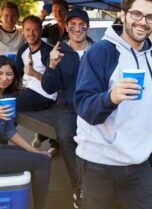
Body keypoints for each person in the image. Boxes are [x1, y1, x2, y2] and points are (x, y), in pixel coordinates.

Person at [73, 0, 152, 208]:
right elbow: (84, 107)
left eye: (149, 17)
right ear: (123, 15)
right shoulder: (100, 53)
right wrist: (111, 97)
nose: (143, 22)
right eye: (136, 14)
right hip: (98, 163)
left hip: (138, 164)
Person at [41, 8, 93, 209]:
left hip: (92, 106)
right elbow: (49, 87)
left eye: (82, 25)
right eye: (73, 25)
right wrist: (52, 65)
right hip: (67, 107)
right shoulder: (59, 51)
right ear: (67, 27)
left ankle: (99, 183)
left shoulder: (97, 50)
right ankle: (80, 187)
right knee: (64, 136)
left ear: (88, 27)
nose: (77, 29)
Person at [0, 55, 51, 209]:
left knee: (42, 158)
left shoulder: (5, 97)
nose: (4, 78)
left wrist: (35, 151)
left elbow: (10, 133)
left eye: (9, 74)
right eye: (0, 73)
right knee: (42, 164)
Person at [15, 15, 58, 155]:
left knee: (8, 106)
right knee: (5, 100)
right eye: (28, 29)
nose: (31, 34)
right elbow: (17, 75)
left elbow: (52, 83)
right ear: (23, 31)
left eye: (35, 30)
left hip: (44, 94)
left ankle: (22, 148)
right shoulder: (22, 50)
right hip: (27, 89)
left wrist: (34, 73)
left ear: (40, 31)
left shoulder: (48, 52)